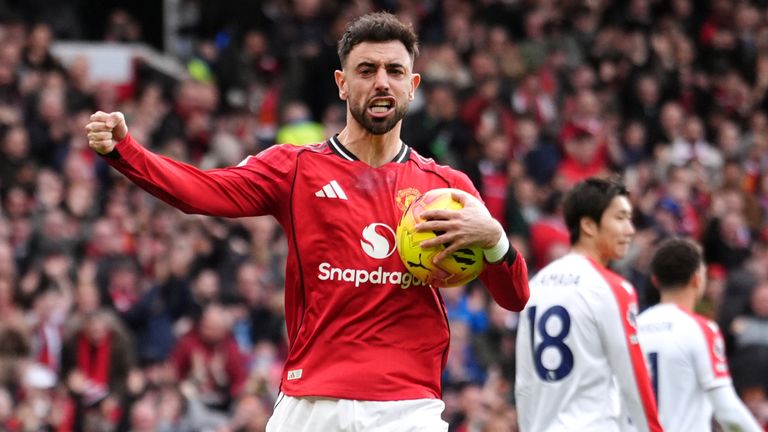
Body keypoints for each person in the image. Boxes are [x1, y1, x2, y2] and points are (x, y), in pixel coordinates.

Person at [85, 12, 529, 431]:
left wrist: (494, 238)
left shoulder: (446, 191)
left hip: (406, 408)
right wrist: (127, 152)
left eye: (394, 71)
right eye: (366, 69)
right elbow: (201, 192)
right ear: (341, 83)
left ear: (412, 85)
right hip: (312, 404)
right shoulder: (295, 169)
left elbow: (514, 298)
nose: (381, 83)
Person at [515, 177, 662, 431]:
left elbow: (524, 383)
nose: (630, 230)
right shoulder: (612, 288)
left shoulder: (536, 286)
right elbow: (633, 379)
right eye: (621, 218)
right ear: (588, 226)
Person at [637, 238, 762, 431]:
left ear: (655, 281)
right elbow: (727, 409)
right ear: (697, 279)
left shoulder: (632, 328)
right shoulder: (699, 329)